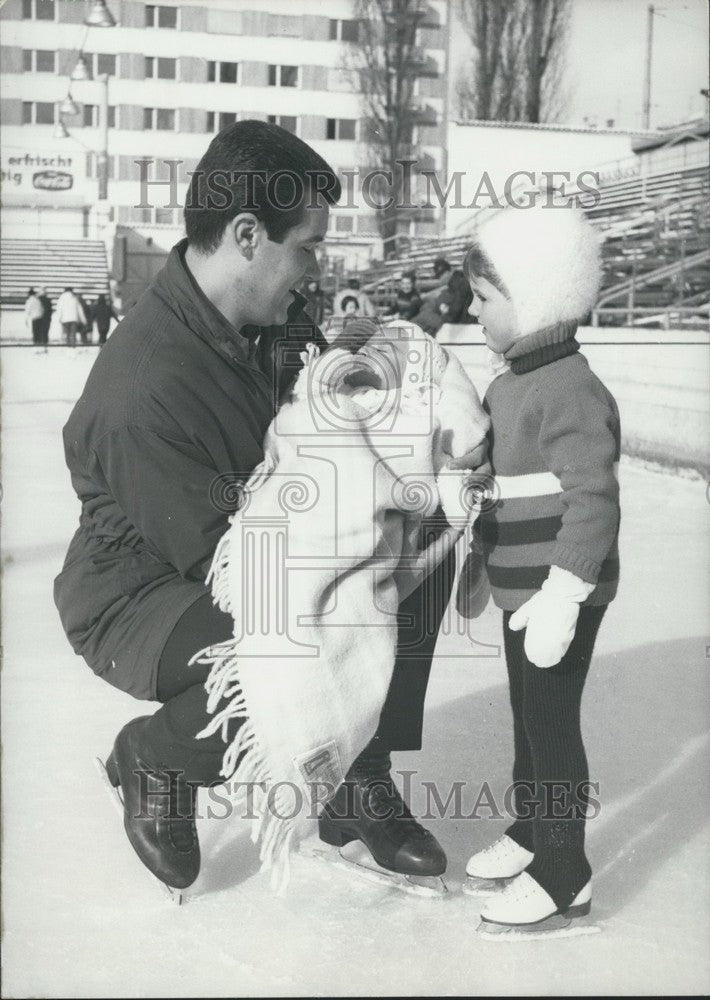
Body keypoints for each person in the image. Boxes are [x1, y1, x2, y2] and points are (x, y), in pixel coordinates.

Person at [54, 120, 457, 894]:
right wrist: (349, 563)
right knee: (285, 648)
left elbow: (336, 412)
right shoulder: (141, 390)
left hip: (257, 536)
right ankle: (156, 757)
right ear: (247, 234)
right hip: (142, 592)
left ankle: (357, 772)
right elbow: (237, 572)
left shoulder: (275, 322)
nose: (313, 268)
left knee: (416, 538)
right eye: (305, 247)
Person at [456, 205, 620, 932]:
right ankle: (532, 832)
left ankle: (564, 870)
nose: (471, 308)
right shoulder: (509, 384)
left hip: (561, 593)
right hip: (521, 590)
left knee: (552, 726)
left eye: (485, 297)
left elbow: (593, 499)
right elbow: (497, 479)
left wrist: (565, 592)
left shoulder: (570, 388)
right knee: (527, 717)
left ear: (536, 299)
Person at [414, 256, 473, 336]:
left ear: (449, 272)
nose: (441, 279)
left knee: (426, 318)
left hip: (463, 323)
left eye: (442, 275)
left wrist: (445, 315)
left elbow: (456, 310)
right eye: (440, 276)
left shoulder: (460, 282)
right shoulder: (456, 281)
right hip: (461, 320)